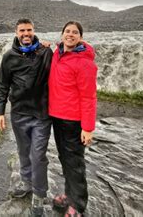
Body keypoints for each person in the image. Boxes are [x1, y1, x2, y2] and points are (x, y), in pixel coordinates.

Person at [0, 18, 53, 215]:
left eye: (29, 30)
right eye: (22, 30)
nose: (26, 34)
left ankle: (39, 194)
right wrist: (0, 111)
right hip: (19, 114)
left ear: (34, 30)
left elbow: (68, 55)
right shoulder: (8, 57)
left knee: (38, 155)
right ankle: (27, 182)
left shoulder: (45, 52)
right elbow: (3, 85)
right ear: (16, 32)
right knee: (23, 151)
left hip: (41, 115)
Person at [48, 21, 97, 217]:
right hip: (57, 117)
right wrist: (43, 45)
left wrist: (88, 127)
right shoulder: (57, 54)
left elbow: (89, 96)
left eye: (75, 32)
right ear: (61, 35)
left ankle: (78, 206)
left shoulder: (84, 63)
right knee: (64, 159)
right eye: (67, 31)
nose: (70, 35)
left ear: (80, 38)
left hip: (73, 120)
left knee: (75, 163)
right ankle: (69, 196)